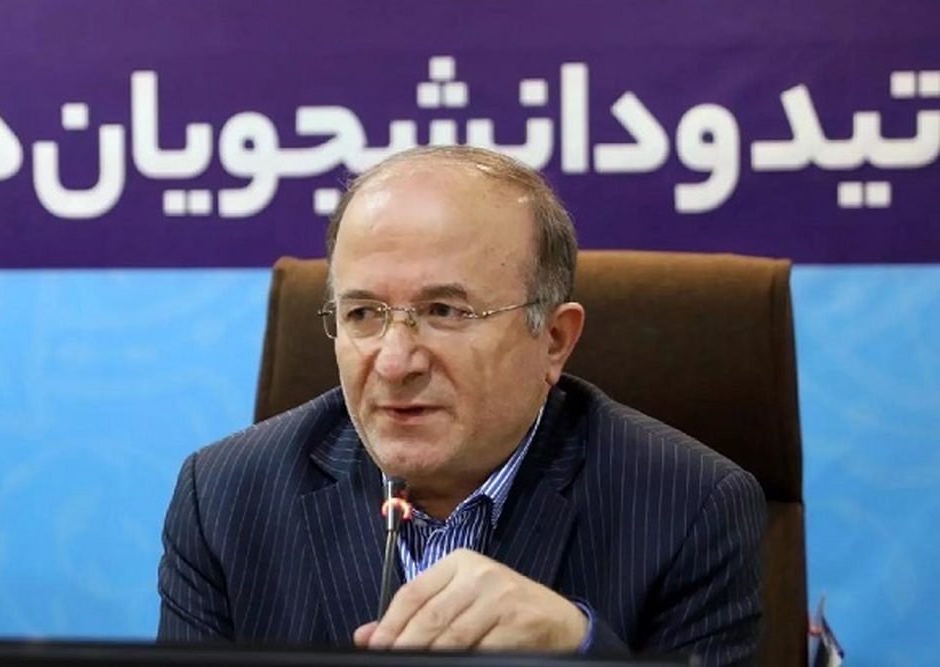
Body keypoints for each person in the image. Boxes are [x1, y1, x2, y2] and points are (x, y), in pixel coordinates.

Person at [157, 146, 765, 666]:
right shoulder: (226, 498)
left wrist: (579, 648)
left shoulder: (688, 506)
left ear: (554, 340)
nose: (395, 363)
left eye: (445, 312)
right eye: (363, 313)